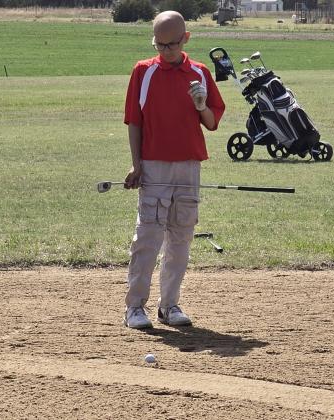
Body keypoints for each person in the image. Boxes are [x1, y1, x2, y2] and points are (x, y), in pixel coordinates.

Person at [123, 10, 225, 329]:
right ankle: (135, 308)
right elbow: (134, 121)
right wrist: (136, 164)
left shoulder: (200, 72)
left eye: (171, 44)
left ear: (186, 39)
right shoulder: (143, 72)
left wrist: (201, 105)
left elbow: (211, 123)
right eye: (159, 45)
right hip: (153, 165)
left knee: (180, 238)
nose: (165, 51)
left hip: (188, 167)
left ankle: (169, 306)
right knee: (148, 237)